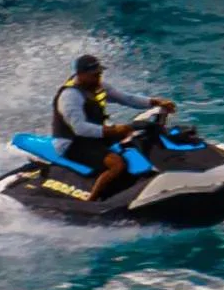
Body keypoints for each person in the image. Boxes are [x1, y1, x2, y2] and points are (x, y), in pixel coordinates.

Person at [53, 53, 172, 189]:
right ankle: (93, 199)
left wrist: (155, 102)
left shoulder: (98, 86)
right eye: (94, 75)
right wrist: (113, 130)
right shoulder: (70, 96)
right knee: (116, 164)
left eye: (99, 74)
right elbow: (80, 128)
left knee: (135, 133)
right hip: (72, 143)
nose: (98, 78)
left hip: (92, 136)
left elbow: (127, 99)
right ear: (81, 74)